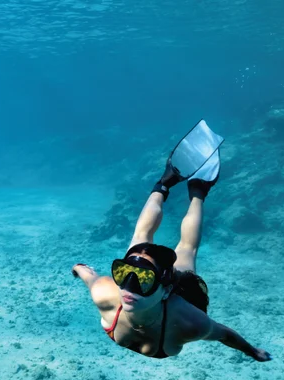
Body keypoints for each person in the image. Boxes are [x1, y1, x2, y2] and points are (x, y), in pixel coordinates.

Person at [72, 142, 272, 362]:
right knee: (140, 237)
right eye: (123, 272)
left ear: (167, 290)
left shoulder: (190, 322)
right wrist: (78, 269)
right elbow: (88, 275)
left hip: (177, 299)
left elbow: (223, 334)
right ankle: (164, 183)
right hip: (160, 297)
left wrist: (251, 351)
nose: (129, 285)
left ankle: (198, 191)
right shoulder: (105, 293)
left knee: (187, 249)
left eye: (144, 279)